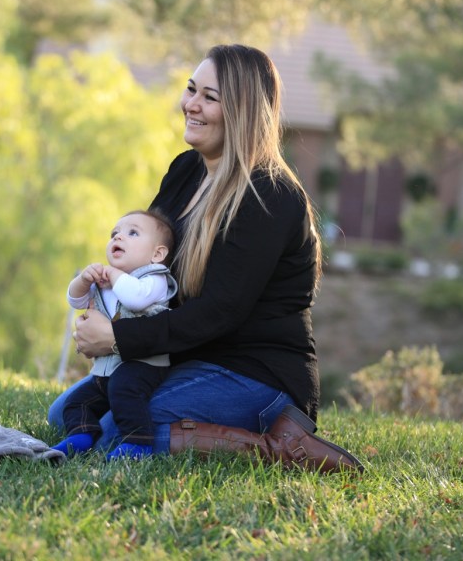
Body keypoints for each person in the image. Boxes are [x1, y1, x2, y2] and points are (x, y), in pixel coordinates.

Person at [51, 44, 363, 473]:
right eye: (191, 89)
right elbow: (152, 268)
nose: (191, 105)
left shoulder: (268, 195)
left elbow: (220, 312)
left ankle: (278, 446)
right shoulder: (185, 170)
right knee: (67, 417)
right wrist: (103, 302)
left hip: (257, 374)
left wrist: (120, 338)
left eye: (210, 97)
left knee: (118, 433)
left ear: (243, 110)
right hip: (186, 356)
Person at [52, 210, 178, 461]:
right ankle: (81, 435)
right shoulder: (106, 282)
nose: (119, 237)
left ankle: (138, 443)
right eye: (115, 233)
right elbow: (75, 300)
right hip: (105, 370)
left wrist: (114, 276)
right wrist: (83, 280)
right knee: (76, 401)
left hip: (142, 365)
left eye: (132, 233)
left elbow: (136, 298)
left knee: (124, 390)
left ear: (157, 254)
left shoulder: (154, 279)